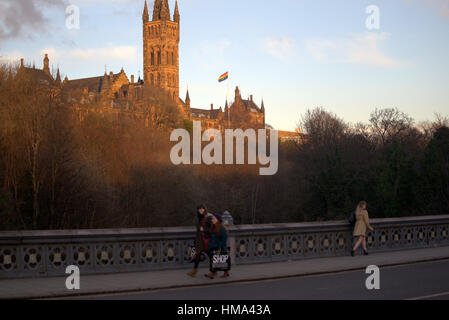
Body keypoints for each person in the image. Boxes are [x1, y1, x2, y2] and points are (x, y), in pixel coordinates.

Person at [187, 204, 213, 277]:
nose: (200, 210)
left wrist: (204, 229)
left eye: (202, 209)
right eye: (199, 209)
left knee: (211, 256)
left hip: (205, 241)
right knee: (198, 255)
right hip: (200, 240)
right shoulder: (200, 218)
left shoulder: (208, 217)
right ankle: (194, 271)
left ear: (205, 209)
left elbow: (211, 229)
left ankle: (213, 271)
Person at [205, 213, 230, 279]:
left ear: (218, 220)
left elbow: (224, 239)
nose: (212, 219)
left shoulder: (221, 228)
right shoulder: (213, 227)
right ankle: (215, 272)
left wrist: (219, 247)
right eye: (212, 218)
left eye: (213, 218)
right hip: (213, 247)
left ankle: (222, 272)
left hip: (218, 247)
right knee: (215, 260)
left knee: (222, 260)